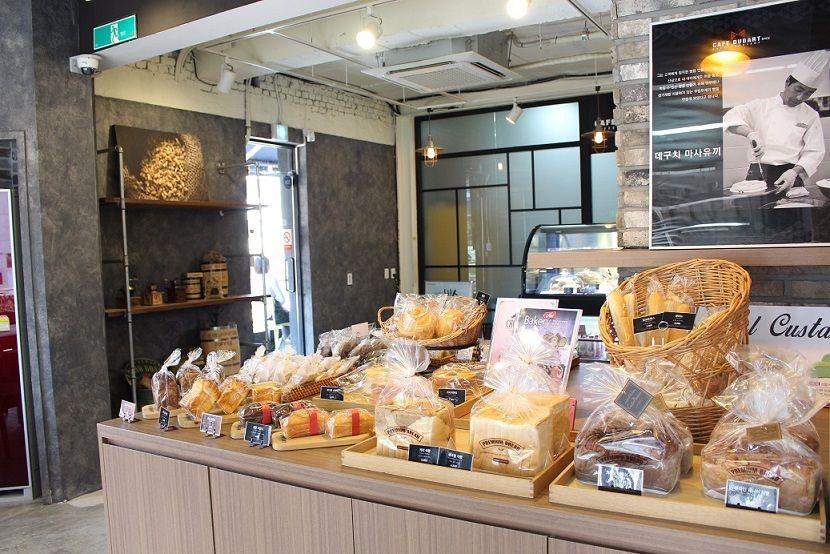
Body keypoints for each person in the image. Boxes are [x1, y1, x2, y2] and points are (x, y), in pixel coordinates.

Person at [723, 50, 828, 194]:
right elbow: (729, 118)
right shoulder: (760, 106)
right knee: (759, 214)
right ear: (787, 83)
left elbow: (815, 152)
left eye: (808, 93)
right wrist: (750, 133)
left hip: (791, 174)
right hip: (758, 172)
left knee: (791, 214)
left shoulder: (811, 115)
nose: (800, 97)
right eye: (798, 89)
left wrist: (794, 172)